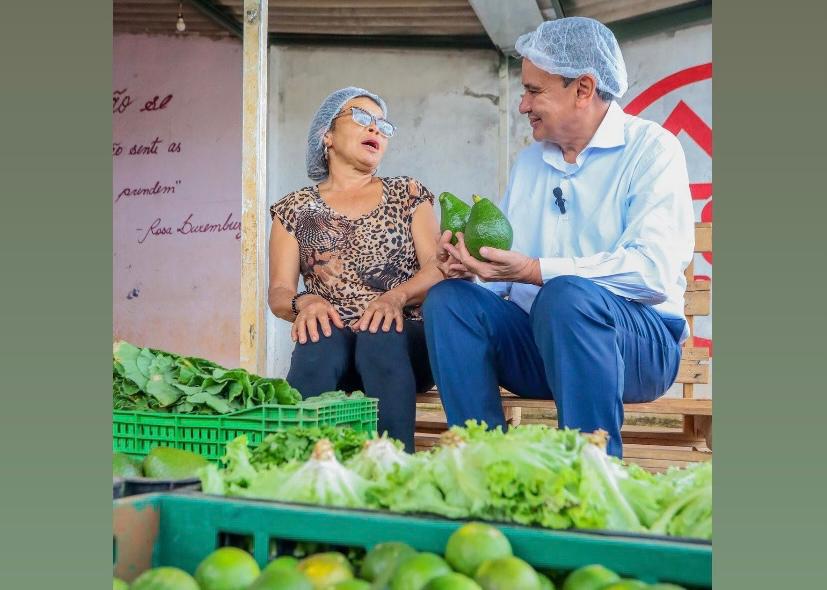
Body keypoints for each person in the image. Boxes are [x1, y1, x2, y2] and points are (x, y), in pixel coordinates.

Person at [423, 17, 695, 458]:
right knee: (450, 300)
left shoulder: (652, 149)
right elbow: (503, 280)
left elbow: (652, 273)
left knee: (564, 295)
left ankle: (591, 473)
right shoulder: (531, 162)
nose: (522, 105)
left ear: (583, 89)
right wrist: (473, 270)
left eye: (534, 90)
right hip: (542, 344)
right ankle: (484, 464)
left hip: (638, 349)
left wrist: (537, 271)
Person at [268, 87, 442, 452]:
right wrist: (307, 302)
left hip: (404, 343)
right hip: (337, 345)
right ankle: (294, 467)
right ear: (326, 136)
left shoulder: (407, 194)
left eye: (383, 125)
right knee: (317, 341)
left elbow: (437, 268)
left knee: (380, 335)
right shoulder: (294, 209)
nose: (376, 129)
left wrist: (396, 296)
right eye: (362, 118)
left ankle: (394, 467)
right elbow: (280, 292)